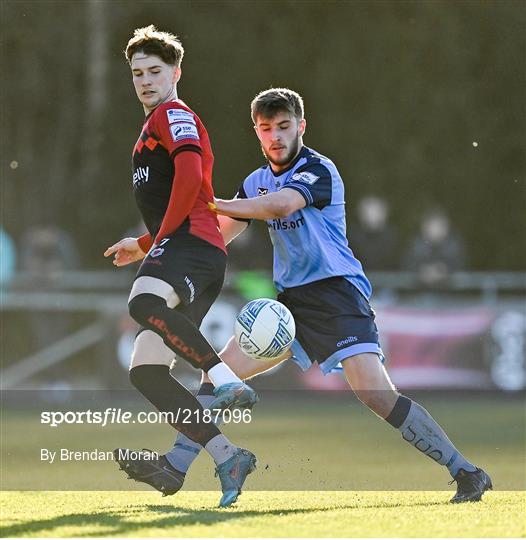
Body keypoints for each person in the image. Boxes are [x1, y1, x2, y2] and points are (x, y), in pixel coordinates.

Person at [117, 88, 492, 504]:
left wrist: (214, 201)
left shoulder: (317, 169)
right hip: (290, 304)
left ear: (301, 125)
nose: (275, 136)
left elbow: (279, 206)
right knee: (217, 372)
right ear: (256, 133)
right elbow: (219, 233)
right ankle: (176, 467)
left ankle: (467, 472)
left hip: (337, 295)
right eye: (265, 129)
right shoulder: (256, 181)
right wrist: (152, 245)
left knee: (375, 394)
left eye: (283, 126)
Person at [103, 25, 257, 507]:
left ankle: (225, 380)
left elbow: (192, 178)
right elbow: (181, 192)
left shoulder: (174, 114)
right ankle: (227, 456)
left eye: (155, 71)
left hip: (192, 246)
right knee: (146, 372)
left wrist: (160, 240)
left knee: (143, 300)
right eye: (137, 73)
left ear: (176, 73)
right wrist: (145, 241)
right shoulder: (152, 125)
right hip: (188, 248)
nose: (145, 80)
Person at [404, 207, 467, 288]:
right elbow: (407, 266)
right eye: (432, 226)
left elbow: (462, 267)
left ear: (446, 227)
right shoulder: (416, 245)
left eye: (438, 226)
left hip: (450, 295)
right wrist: (421, 272)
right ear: (424, 227)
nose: (435, 230)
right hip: (420, 294)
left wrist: (445, 272)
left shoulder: (454, 245)